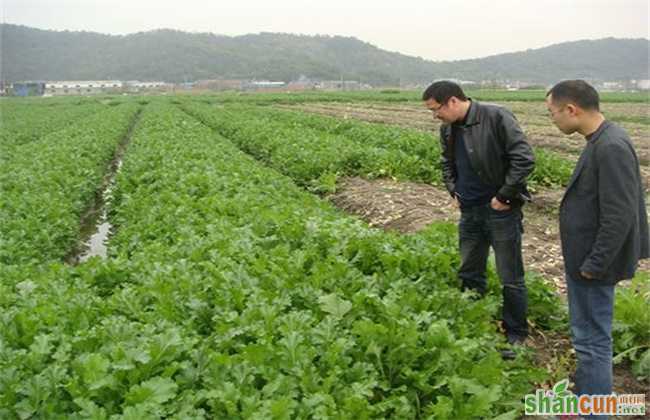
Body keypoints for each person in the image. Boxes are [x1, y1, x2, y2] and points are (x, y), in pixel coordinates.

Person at [546, 80, 649, 410]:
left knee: (592, 341)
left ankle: (593, 413)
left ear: (571, 109)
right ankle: (585, 401)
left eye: (553, 113)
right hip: (587, 259)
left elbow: (620, 215)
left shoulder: (610, 146)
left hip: (592, 265)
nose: (553, 120)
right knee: (588, 336)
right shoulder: (601, 140)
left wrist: (594, 264)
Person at [422, 81, 535, 351]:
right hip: (469, 210)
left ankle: (516, 333)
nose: (434, 115)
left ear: (452, 101)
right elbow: (447, 163)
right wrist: (454, 190)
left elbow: (524, 158)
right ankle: (474, 320)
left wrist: (504, 196)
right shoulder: (447, 129)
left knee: (510, 276)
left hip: (500, 211)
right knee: (469, 270)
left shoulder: (496, 117)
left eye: (436, 109)